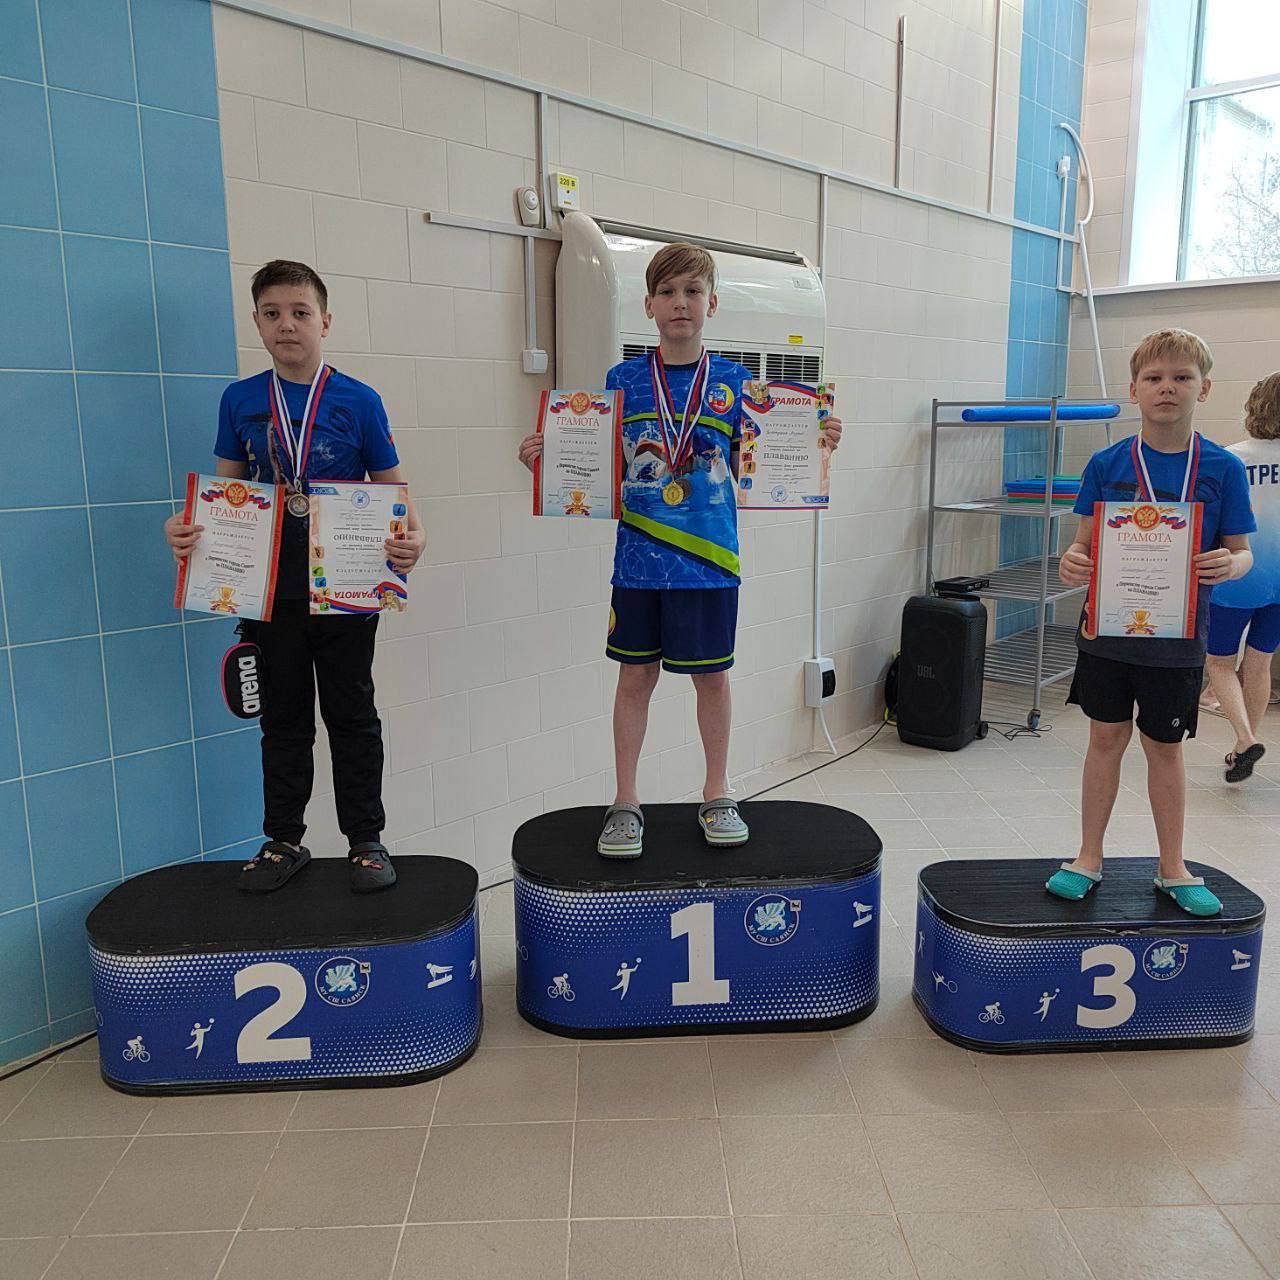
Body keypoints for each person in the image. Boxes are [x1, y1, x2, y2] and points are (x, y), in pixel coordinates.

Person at [518, 242, 842, 857]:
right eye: (667, 292)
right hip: (639, 562)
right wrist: (550, 460)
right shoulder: (622, 381)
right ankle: (625, 802)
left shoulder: (737, 384)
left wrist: (814, 441)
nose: (680, 303)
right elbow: (603, 469)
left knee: (712, 680)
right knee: (634, 677)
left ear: (711, 304)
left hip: (709, 564)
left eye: (692, 291)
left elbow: (760, 465)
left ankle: (717, 793)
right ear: (648, 305)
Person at [165, 260, 425, 893]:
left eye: (300, 312)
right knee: (283, 720)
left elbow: (394, 493)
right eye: (273, 313)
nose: (287, 324)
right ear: (257, 322)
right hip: (269, 583)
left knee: (352, 713)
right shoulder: (240, 400)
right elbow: (226, 491)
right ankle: (283, 839)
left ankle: (366, 840)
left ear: (324, 321)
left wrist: (413, 539)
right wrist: (187, 529)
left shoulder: (359, 400)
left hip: (346, 582)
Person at [1053, 329, 1254, 917]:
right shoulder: (1107, 463)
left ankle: (1173, 867)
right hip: (1108, 632)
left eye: (1182, 378)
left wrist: (1231, 564)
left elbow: (1242, 552)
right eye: (1154, 378)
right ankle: (1087, 857)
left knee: (1165, 748)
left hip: (1178, 638)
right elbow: (1082, 545)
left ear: (1204, 388)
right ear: (1134, 389)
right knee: (1103, 740)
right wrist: (1071, 562)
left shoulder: (1223, 468)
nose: (1168, 387)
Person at [1205, 372, 1280, 782]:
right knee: (1259, 663)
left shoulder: (1230, 458)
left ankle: (1245, 738)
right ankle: (1242, 748)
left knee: (1219, 662)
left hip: (1238, 575)